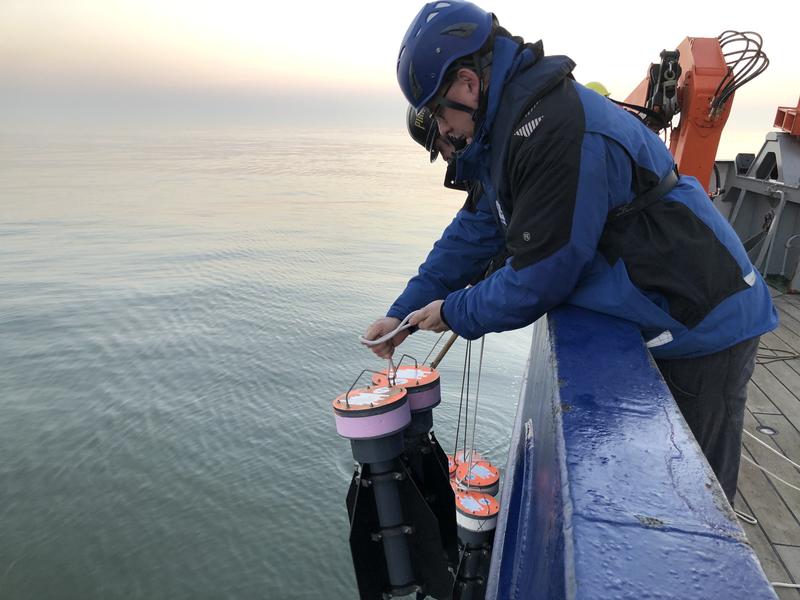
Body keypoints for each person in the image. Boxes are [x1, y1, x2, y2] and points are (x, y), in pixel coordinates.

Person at [363, 1, 778, 504]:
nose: (444, 132)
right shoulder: (509, 134)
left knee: (697, 502)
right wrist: (403, 311)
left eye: (437, 112)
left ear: (468, 85)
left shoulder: (553, 129)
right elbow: (473, 232)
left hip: (703, 320)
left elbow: (541, 275)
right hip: (658, 311)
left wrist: (452, 311)